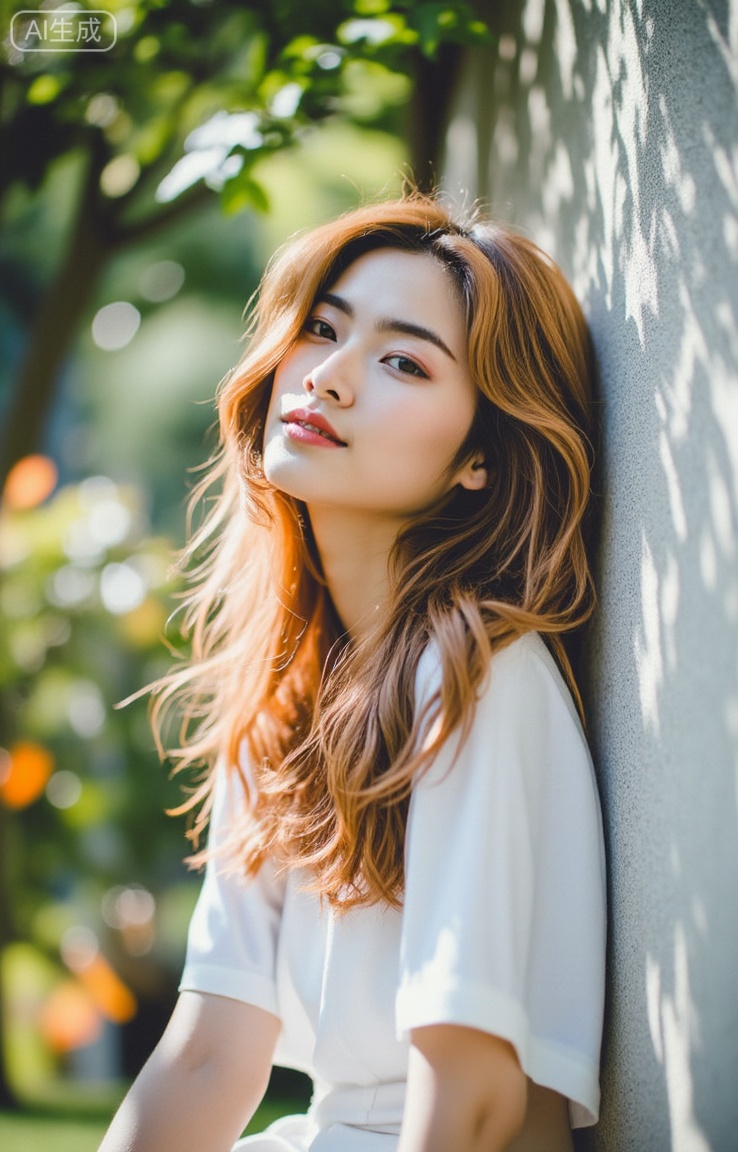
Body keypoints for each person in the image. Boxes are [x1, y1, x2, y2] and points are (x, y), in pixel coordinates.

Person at [98, 194, 606, 1152]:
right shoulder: (290, 699)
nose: (327, 378)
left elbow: (477, 1097)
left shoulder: (472, 674)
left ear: (480, 461)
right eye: (323, 329)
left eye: (403, 361)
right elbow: (208, 1057)